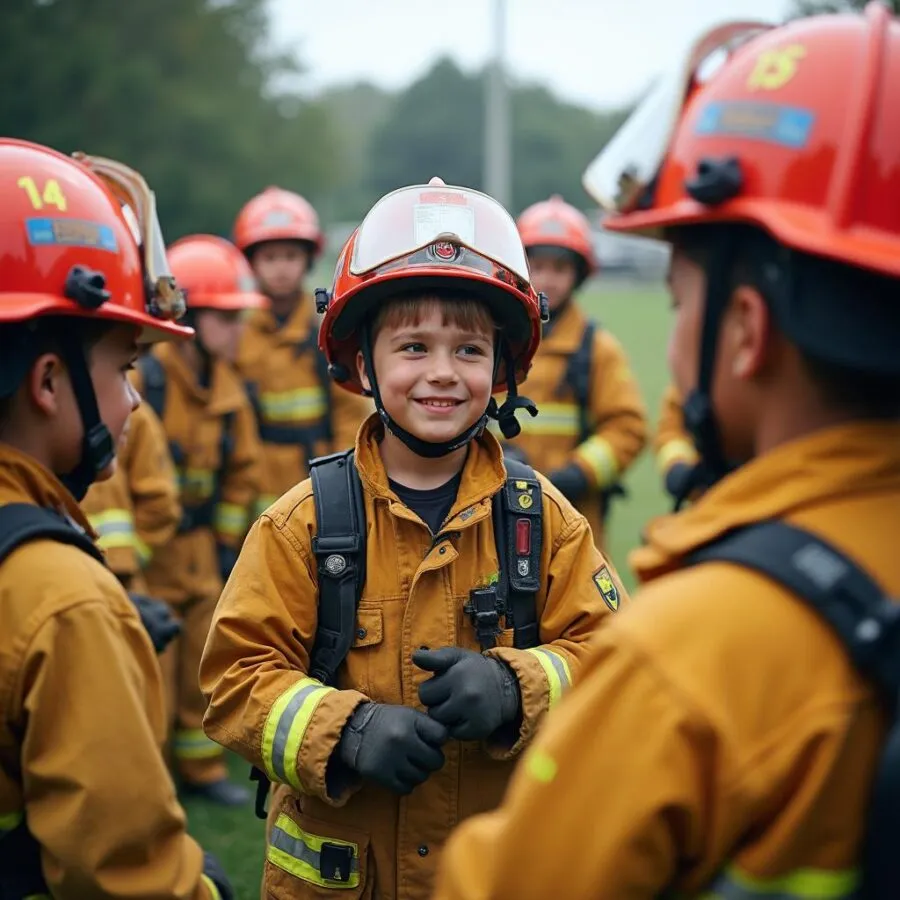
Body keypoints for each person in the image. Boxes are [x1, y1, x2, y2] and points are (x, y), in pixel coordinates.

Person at [432, 6, 900, 898]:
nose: (677, 337)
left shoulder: (690, 658)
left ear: (746, 332)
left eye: (683, 300)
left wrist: (576, 476)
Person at [200, 178, 626, 899]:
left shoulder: (543, 520)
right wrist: (346, 731)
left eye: (468, 350)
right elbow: (234, 681)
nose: (441, 372)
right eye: (413, 346)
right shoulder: (301, 523)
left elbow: (612, 662)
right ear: (363, 362)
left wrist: (515, 687)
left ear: (503, 369)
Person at [0, 139, 232, 897]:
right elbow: (128, 880)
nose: (135, 401)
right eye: (125, 368)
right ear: (46, 379)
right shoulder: (64, 603)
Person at [134, 234, 264, 805]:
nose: (239, 330)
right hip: (152, 557)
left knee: (200, 669)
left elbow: (243, 471)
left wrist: (227, 545)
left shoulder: (229, 387)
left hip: (203, 556)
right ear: (189, 315)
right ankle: (149, 777)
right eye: (228, 317)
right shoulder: (146, 382)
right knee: (150, 675)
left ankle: (202, 771)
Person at [504, 194, 648, 547]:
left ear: (579, 274)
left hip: (574, 523)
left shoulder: (598, 349)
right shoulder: (494, 345)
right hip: (497, 513)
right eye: (537, 266)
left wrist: (578, 474)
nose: (547, 280)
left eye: (559, 268)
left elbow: (628, 428)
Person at [233, 187, 372, 515]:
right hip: (252, 485)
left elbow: (350, 412)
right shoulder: (237, 334)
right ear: (250, 263)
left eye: (290, 256)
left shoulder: (325, 330)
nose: (280, 268)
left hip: (317, 477)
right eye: (269, 258)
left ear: (308, 259)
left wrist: (341, 480)